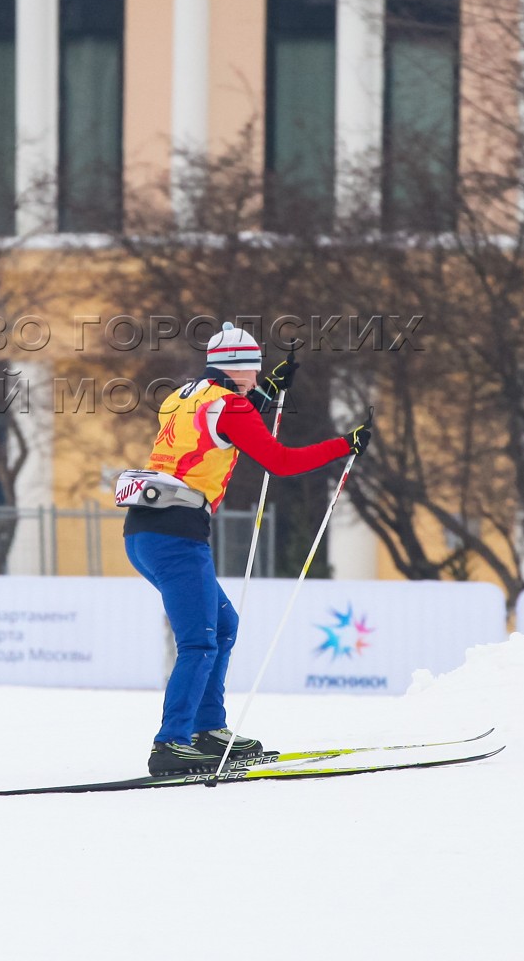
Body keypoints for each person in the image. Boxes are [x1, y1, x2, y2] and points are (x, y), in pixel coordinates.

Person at [120, 321, 371, 776]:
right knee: (199, 640)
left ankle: (207, 731)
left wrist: (264, 394)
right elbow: (279, 460)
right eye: (253, 372)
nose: (257, 379)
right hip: (176, 534)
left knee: (221, 622)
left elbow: (213, 429)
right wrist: (344, 445)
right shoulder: (231, 405)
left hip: (145, 532)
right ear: (237, 370)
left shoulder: (185, 395)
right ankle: (171, 743)